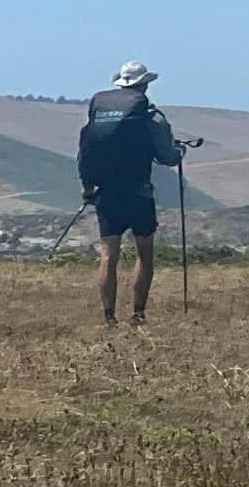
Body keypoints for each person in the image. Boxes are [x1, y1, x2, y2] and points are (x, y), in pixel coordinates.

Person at [77, 60, 184, 326]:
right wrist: (180, 151)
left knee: (108, 255)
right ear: (145, 85)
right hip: (139, 192)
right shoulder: (149, 116)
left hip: (106, 193)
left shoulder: (100, 114)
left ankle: (109, 316)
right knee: (144, 254)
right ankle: (138, 314)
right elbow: (168, 157)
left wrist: (88, 187)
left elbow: (85, 153)